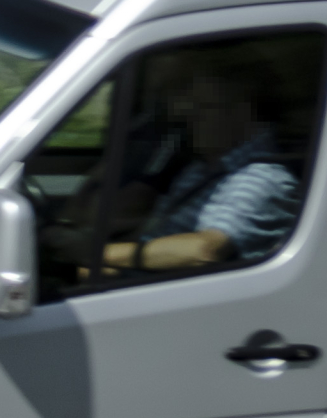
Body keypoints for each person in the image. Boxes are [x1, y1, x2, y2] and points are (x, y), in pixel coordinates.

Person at [103, 68, 299, 273]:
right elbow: (153, 236)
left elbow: (205, 250)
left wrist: (103, 256)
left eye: (204, 108)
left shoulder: (263, 178)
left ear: (243, 111)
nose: (190, 118)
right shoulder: (201, 169)